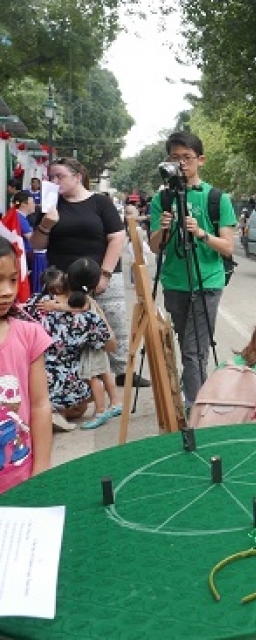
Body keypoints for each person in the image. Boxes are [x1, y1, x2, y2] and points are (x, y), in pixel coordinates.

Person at [29, 157, 143, 388]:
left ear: (77, 177)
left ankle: (121, 371)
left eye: (59, 176)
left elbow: (117, 237)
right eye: (51, 177)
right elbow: (37, 244)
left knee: (113, 324)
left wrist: (105, 274)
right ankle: (77, 380)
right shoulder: (51, 205)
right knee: (68, 325)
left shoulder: (100, 202)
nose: (54, 181)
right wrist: (46, 224)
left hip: (101, 273)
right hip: (62, 278)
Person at [148, 131, 237, 408]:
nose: (182, 164)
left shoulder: (216, 198)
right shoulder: (161, 200)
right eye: (175, 158)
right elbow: (154, 247)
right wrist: (163, 228)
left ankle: (195, 407)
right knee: (187, 344)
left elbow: (228, 247)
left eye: (187, 158)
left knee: (194, 349)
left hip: (207, 280)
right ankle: (196, 399)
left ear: (200, 160)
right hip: (175, 282)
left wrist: (200, 233)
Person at [26, 257, 113, 432]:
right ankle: (60, 410)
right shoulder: (89, 317)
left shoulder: (37, 303)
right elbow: (111, 345)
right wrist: (98, 311)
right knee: (92, 373)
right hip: (70, 383)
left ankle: (51, 411)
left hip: (35, 380)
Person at [0, 238, 52, 494]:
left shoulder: (29, 334)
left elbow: (40, 404)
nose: (7, 291)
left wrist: (41, 468)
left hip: (20, 479)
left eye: (12, 279)